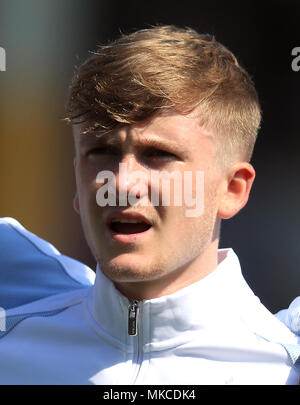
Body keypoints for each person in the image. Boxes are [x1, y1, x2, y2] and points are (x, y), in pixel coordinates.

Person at [0, 25, 299, 385]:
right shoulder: (12, 339)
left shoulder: (283, 369)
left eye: (158, 155)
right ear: (76, 182)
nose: (123, 183)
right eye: (102, 152)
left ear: (232, 189)